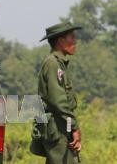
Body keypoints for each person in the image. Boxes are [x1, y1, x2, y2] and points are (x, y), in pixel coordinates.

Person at [30, 21, 82, 163]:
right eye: (71, 37)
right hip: (57, 129)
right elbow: (58, 102)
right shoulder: (53, 63)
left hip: (62, 127)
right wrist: (75, 127)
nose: (75, 41)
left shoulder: (59, 63)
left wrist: (71, 126)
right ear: (60, 41)